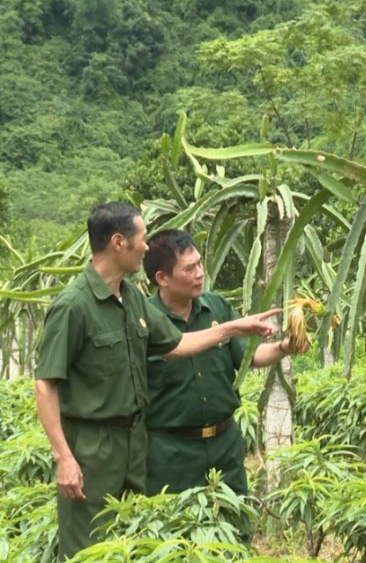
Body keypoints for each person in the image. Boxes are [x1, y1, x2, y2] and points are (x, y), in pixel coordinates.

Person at [34, 202, 280, 561]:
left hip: (135, 442)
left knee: (139, 540)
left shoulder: (131, 297)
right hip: (92, 446)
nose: (147, 247)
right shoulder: (74, 305)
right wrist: (64, 458)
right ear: (118, 242)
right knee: (89, 547)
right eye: (142, 238)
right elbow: (45, 385)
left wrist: (234, 327)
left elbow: (178, 344)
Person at [141, 229, 307, 499]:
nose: (199, 273)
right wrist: (231, 328)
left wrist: (284, 347)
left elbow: (249, 358)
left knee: (234, 523)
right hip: (170, 453)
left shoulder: (216, 306)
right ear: (162, 278)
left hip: (224, 444)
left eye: (199, 263)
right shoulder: (145, 320)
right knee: (177, 530)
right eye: (189, 268)